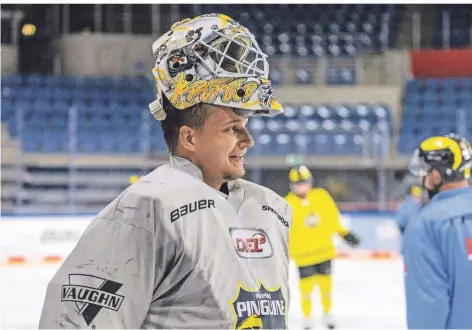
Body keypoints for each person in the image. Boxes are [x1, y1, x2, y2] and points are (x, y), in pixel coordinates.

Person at [39, 14, 292, 329]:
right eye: (231, 128)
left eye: (246, 125)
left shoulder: (271, 209)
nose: (248, 141)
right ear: (189, 137)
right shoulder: (147, 210)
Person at [403, 133, 472, 329]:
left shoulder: (425, 225)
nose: (421, 177)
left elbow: (428, 307)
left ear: (436, 175)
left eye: (424, 171)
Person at [284, 165, 360, 330]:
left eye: (304, 182)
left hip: (324, 252)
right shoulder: (286, 204)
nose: (302, 186)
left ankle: (327, 314)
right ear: (292, 185)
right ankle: (307, 318)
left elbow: (332, 219)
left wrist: (345, 234)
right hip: (302, 256)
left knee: (326, 287)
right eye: (298, 183)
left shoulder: (321, 196)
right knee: (306, 290)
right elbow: (283, 231)